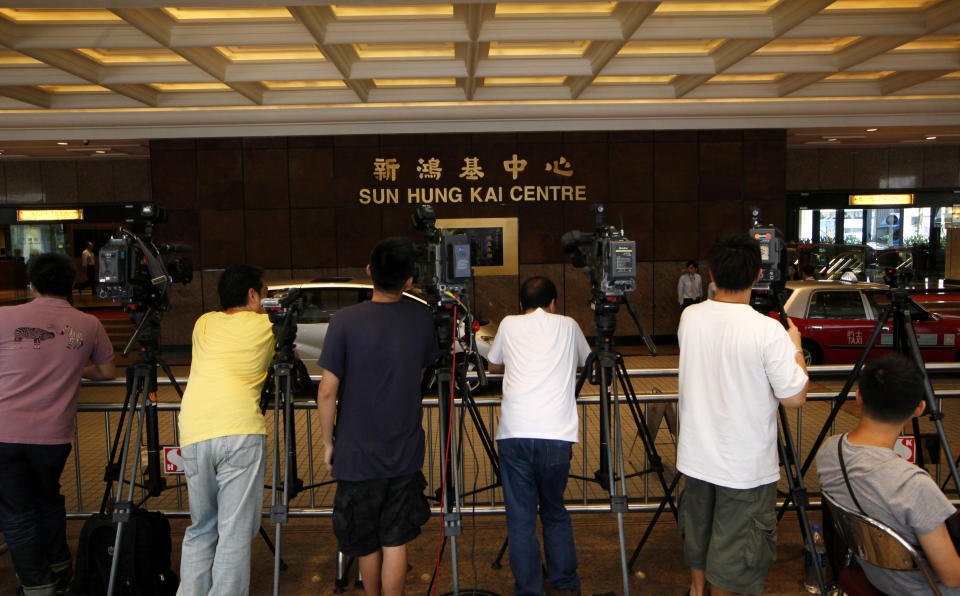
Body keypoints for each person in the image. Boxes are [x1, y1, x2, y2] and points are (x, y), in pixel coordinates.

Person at [677, 235, 809, 596]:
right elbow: (795, 397)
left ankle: (696, 589)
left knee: (699, 536)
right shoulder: (767, 331)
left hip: (696, 458)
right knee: (735, 557)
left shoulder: (690, 317)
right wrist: (795, 346)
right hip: (745, 467)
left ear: (711, 273)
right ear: (757, 276)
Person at [317, 237, 440, 596]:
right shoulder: (420, 317)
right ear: (409, 281)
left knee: (365, 542)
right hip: (403, 451)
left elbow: (327, 390)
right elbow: (420, 373)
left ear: (369, 271)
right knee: (395, 540)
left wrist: (328, 442)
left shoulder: (344, 320)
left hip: (356, 455)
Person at [0, 252, 115, 596]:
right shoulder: (88, 324)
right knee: (48, 499)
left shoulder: (5, 316)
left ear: (31, 283)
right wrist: (71, 369)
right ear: (70, 284)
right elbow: (108, 371)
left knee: (16, 511)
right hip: (54, 437)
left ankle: (38, 585)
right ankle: (60, 565)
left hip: (4, 433)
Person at [816, 354, 960, 594]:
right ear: (919, 409)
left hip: (878, 579)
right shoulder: (913, 485)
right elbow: (952, 577)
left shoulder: (830, 451)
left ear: (859, 397)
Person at [487, 276, 590, 596]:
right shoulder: (569, 325)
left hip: (514, 434)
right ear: (553, 303)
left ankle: (529, 589)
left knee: (521, 519)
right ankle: (565, 584)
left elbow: (493, 366)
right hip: (557, 436)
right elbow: (589, 363)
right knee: (554, 510)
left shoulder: (508, 323)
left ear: (521, 305)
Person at [176, 265, 275, 596]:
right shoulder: (266, 325)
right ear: (252, 294)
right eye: (263, 293)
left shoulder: (203, 323)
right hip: (239, 430)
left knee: (201, 528)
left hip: (193, 430)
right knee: (232, 532)